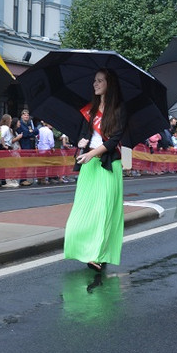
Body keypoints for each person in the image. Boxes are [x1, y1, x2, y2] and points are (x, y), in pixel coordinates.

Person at [63, 69, 127, 272]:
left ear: (110, 83)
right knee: (83, 210)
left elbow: (115, 140)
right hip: (89, 165)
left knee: (104, 212)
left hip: (107, 164)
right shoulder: (90, 109)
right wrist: (81, 141)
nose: (95, 84)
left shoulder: (119, 109)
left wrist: (92, 154)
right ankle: (82, 248)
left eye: (100, 80)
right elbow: (84, 134)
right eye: (94, 80)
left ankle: (98, 254)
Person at [0, 114, 20, 187]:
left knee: (2, 165)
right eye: (10, 119)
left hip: (4, 146)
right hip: (5, 147)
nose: (11, 120)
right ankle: (5, 181)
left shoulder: (1, 127)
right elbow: (1, 136)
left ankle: (2, 181)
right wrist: (4, 145)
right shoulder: (6, 128)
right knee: (7, 164)